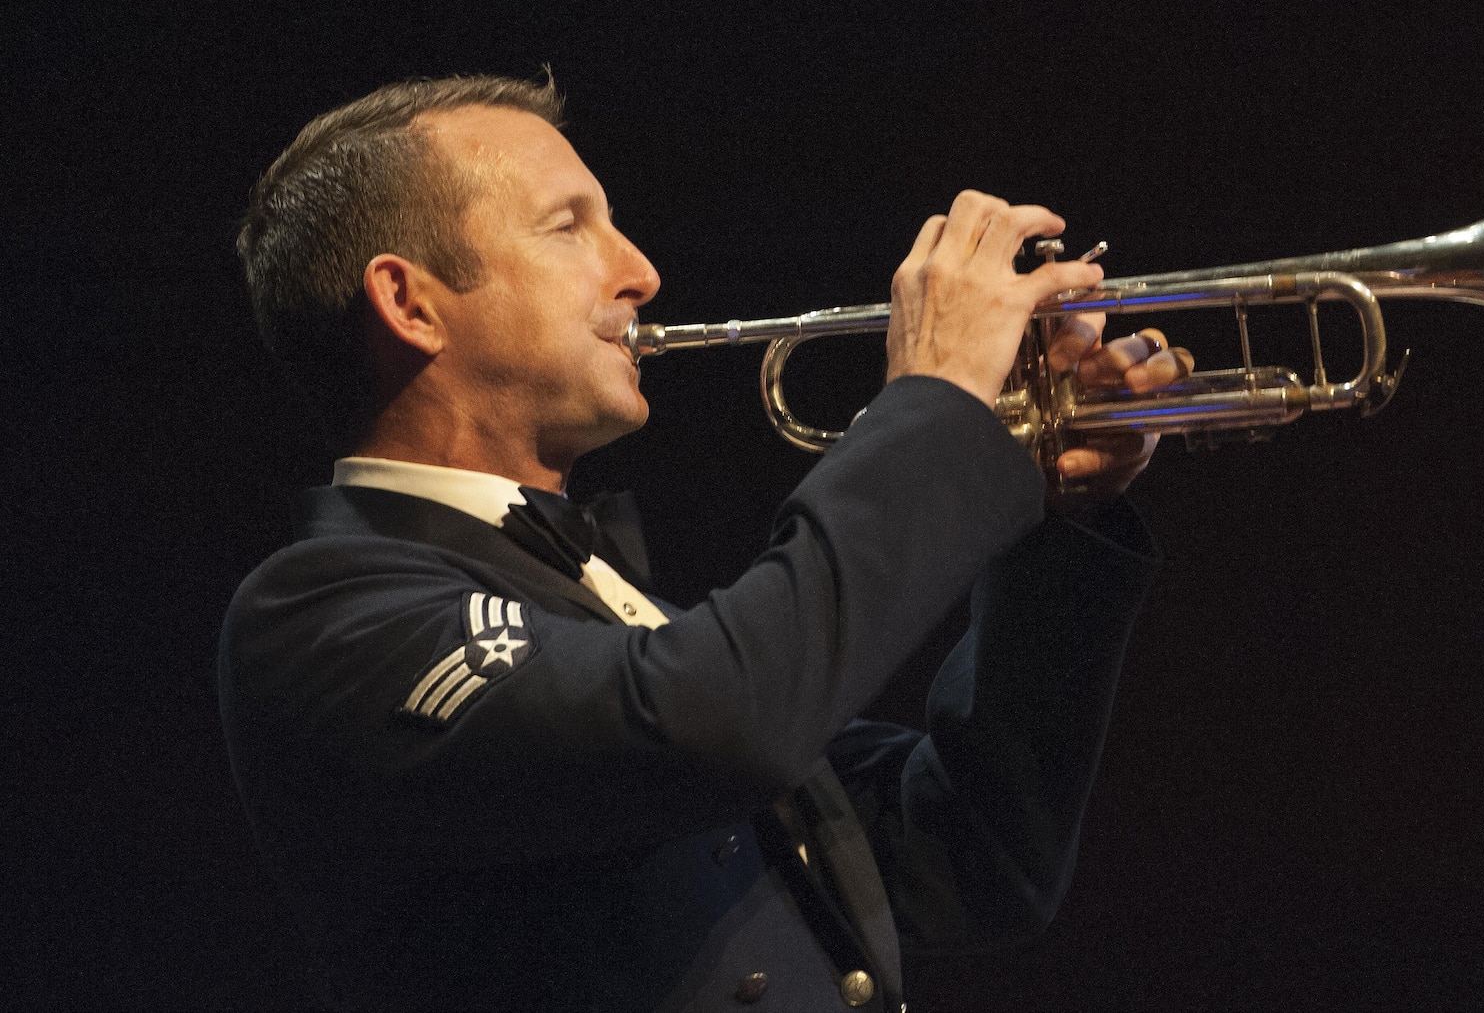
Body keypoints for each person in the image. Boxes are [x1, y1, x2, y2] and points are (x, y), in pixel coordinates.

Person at [221, 74, 1193, 1012]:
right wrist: (933, 401)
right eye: (569, 227)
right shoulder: (322, 616)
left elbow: (971, 860)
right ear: (411, 302)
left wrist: (1054, 520)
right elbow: (720, 714)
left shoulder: (621, 622)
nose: (639, 271)